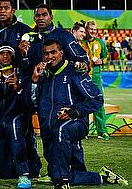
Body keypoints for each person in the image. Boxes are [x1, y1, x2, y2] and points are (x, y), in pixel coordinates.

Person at [29, 39, 128, 188]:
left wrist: (74, 112)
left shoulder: (74, 71)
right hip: (49, 127)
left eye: (53, 52)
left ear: (61, 53)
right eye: (46, 53)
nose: (49, 57)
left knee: (61, 133)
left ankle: (62, 181)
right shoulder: (43, 75)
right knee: (57, 169)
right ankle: (99, 177)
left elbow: (97, 99)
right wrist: (35, 80)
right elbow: (33, 103)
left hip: (76, 123)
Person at [0, 44, 34, 189]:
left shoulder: (23, 75)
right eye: (2, 53)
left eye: (9, 53)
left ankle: (24, 174)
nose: (5, 56)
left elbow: (31, 105)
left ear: (13, 56)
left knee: (14, 126)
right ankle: (8, 167)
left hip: (18, 119)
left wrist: (18, 89)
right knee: (3, 173)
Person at [0, 0, 31, 67]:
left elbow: (30, 57)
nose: (2, 11)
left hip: (17, 73)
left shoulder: (25, 30)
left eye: (6, 8)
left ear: (13, 11)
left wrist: (19, 51)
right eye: (0, 8)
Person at [85, 20, 110, 140]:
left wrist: (102, 61)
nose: (93, 32)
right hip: (82, 76)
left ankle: (102, 131)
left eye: (95, 29)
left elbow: (105, 56)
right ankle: (82, 131)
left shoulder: (100, 43)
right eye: (91, 29)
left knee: (99, 102)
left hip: (96, 76)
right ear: (86, 30)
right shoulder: (80, 43)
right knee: (82, 103)